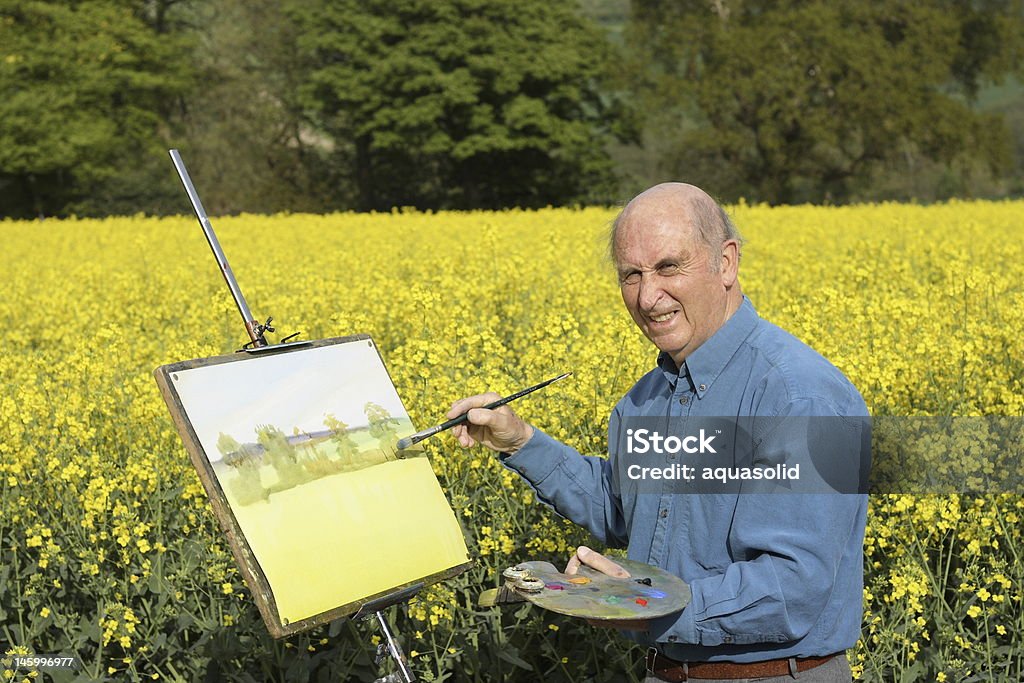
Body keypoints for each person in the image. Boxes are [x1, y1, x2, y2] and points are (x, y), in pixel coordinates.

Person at [449, 183, 868, 682]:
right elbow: (624, 508)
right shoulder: (646, 398)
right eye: (631, 275)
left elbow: (792, 588)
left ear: (726, 263)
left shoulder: (800, 398)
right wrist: (519, 441)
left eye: (669, 267)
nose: (648, 297)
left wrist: (640, 600)